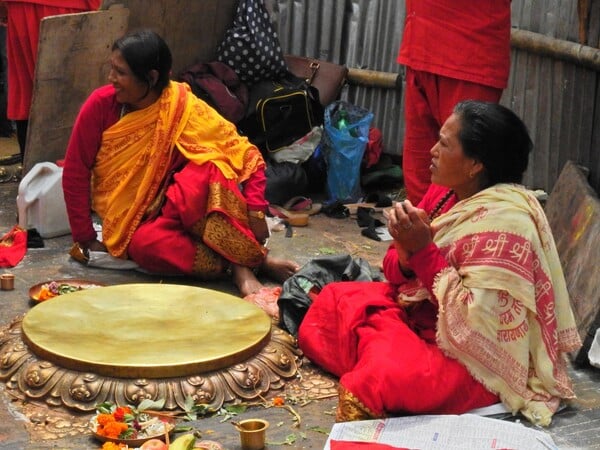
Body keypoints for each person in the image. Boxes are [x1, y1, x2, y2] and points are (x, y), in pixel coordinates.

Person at [298, 100, 582, 427]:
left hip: (476, 359)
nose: (432, 150)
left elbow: (480, 327)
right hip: (423, 316)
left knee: (382, 373)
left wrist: (422, 251)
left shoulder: (508, 223)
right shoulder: (444, 193)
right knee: (336, 298)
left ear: (475, 164)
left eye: (445, 144)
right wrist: (407, 254)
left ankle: (375, 363)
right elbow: (393, 273)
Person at [62, 29, 299, 297]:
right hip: (138, 218)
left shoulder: (181, 104)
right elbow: (75, 170)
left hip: (185, 204)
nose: (111, 78)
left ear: (151, 78)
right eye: (111, 69)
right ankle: (250, 263)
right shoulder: (100, 105)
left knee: (208, 169)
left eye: (121, 72)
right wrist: (86, 237)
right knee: (143, 247)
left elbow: (243, 153)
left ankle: (243, 268)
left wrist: (256, 211)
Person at [397, 0, 511, 205]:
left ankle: (454, 234)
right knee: (419, 166)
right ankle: (420, 231)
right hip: (420, 48)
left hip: (469, 53)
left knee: (460, 170)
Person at [0, 0, 101, 160]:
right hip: (66, 9)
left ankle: (35, 179)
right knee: (70, 96)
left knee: (28, 93)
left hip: (20, 9)